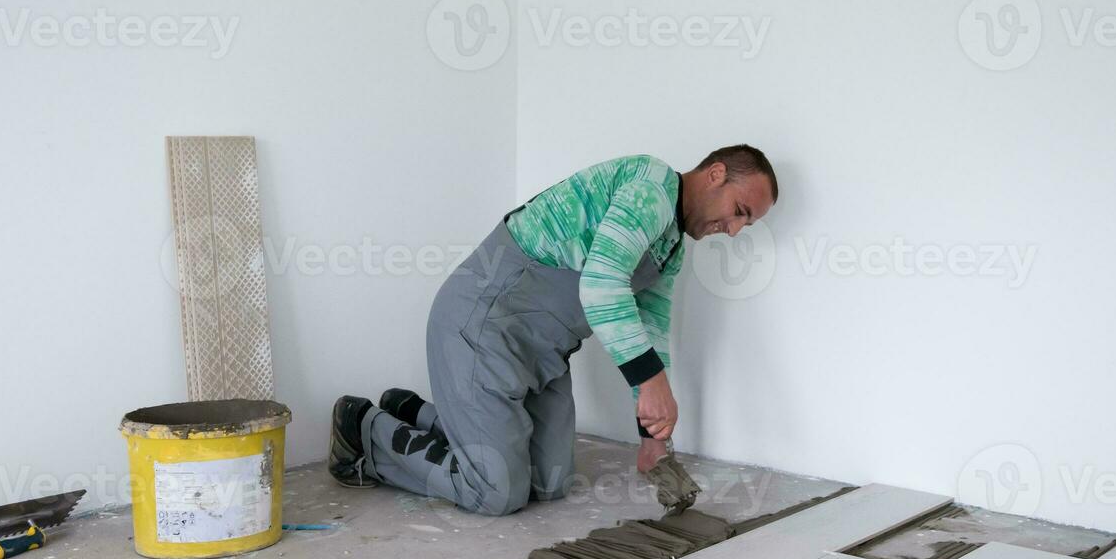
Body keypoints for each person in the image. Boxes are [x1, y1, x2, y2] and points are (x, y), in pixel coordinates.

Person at [327, 145, 778, 516]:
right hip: (480, 331)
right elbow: (601, 284)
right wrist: (650, 382)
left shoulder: (672, 244)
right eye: (739, 211)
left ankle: (419, 414)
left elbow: (650, 328)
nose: (735, 231)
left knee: (551, 482)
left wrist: (652, 441)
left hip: (539, 353)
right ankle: (364, 429)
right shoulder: (650, 190)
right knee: (496, 492)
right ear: (716, 173)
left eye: (746, 223)